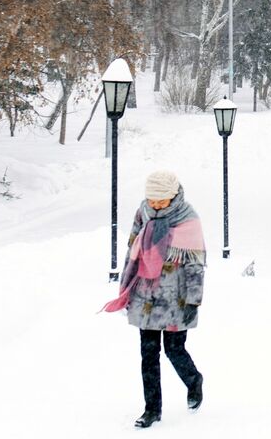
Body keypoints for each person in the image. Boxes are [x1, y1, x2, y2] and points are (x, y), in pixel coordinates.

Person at [103, 169, 207, 429]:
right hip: (146, 294)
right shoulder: (143, 212)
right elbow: (132, 249)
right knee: (148, 355)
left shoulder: (188, 220)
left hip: (175, 298)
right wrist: (125, 286)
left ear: (173, 197)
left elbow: (196, 266)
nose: (156, 205)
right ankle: (152, 409)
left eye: (161, 201)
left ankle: (193, 380)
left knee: (174, 350)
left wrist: (193, 301)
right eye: (152, 200)